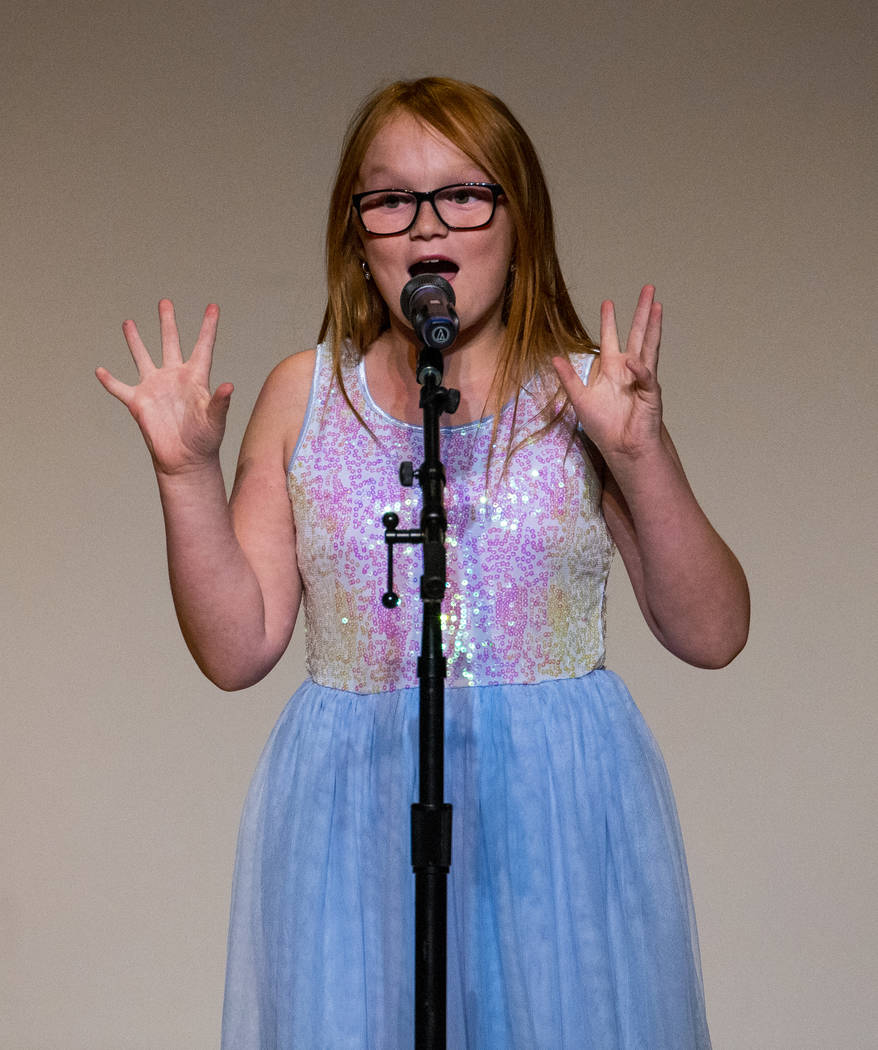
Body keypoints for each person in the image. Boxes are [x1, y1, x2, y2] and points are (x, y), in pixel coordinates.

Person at [96, 77, 749, 1049]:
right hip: (353, 813)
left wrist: (639, 453)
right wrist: (185, 471)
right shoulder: (302, 393)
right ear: (356, 235)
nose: (425, 224)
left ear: (516, 220)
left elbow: (712, 632)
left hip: (554, 820)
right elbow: (237, 647)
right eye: (390, 198)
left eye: (463, 193)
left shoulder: (585, 395)